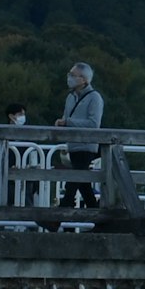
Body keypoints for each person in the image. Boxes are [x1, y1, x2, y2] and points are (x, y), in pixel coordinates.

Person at [55, 60, 106, 210]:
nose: (69, 77)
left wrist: (67, 123)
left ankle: (59, 215)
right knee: (83, 185)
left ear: (83, 79)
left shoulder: (94, 97)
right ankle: (100, 221)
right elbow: (67, 119)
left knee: (73, 183)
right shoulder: (70, 97)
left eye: (73, 75)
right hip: (72, 145)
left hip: (87, 146)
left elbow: (93, 124)